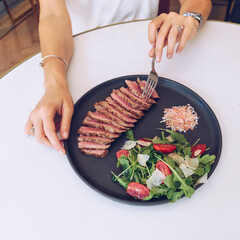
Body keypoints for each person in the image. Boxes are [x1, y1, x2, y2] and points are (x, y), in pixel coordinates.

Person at [24, 0, 212, 155]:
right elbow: (52, 15)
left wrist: (191, 18)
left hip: (151, 49)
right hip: (76, 53)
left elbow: (198, 2)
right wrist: (54, 83)